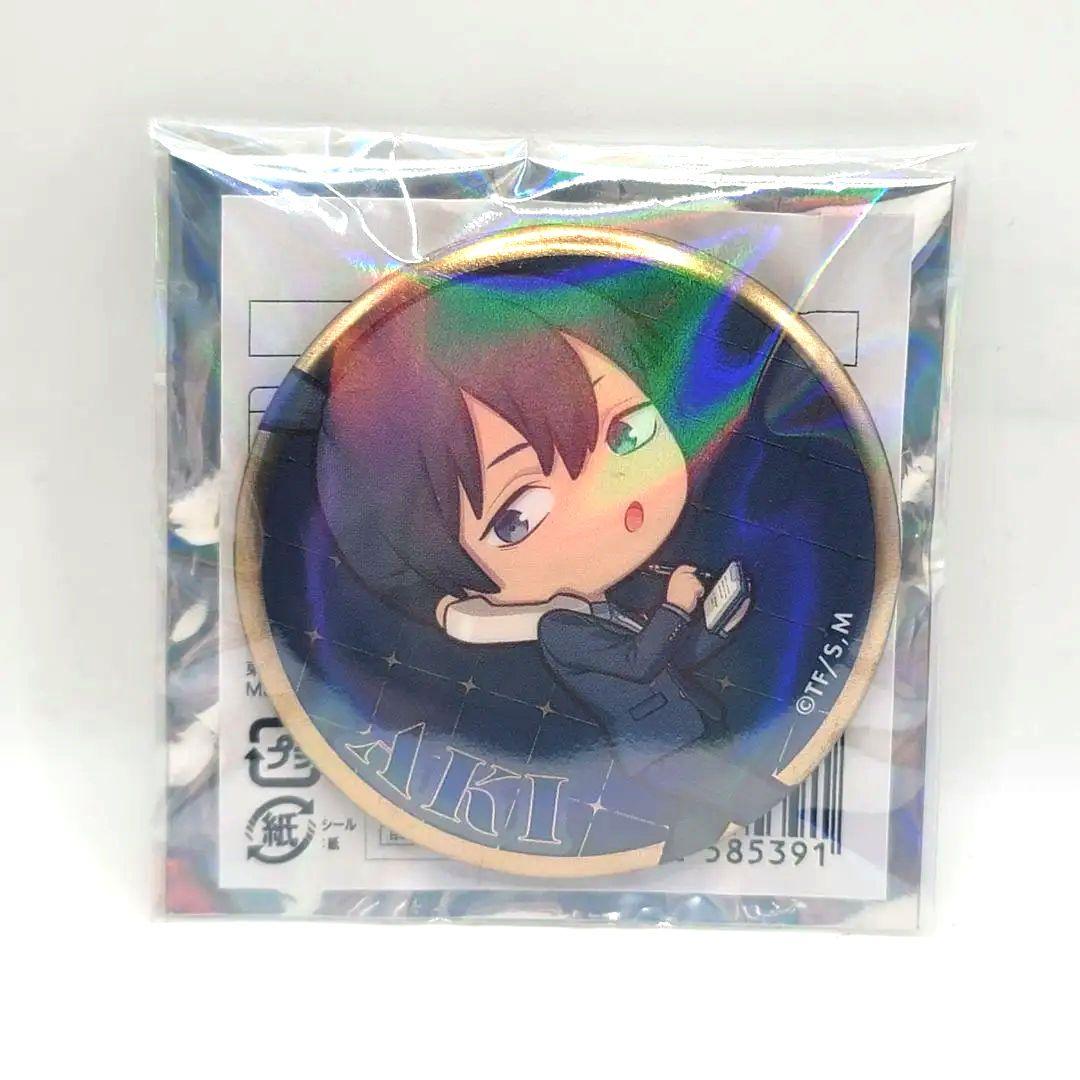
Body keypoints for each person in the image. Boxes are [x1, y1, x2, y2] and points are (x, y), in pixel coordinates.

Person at [316, 269, 785, 858]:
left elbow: (671, 662)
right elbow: (639, 664)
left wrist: (714, 625)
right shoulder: (562, 629)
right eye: (516, 518)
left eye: (627, 432)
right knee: (763, 804)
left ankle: (674, 876)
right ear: (467, 589)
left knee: (697, 843)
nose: (608, 503)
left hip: (686, 735)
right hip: (666, 753)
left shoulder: (603, 607)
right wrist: (675, 607)